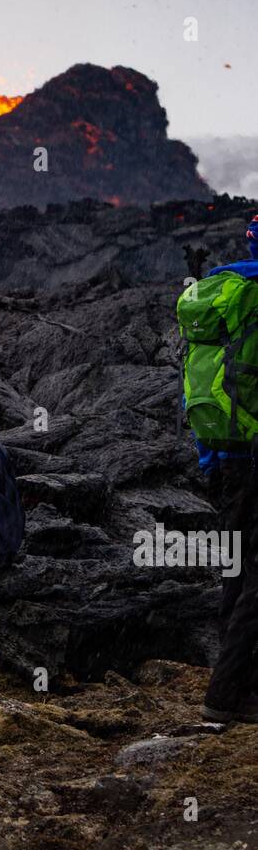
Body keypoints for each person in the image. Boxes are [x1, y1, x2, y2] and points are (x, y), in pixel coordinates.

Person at [186, 216, 258, 724]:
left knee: (236, 568)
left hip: (226, 455)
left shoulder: (225, 291)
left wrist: (210, 458)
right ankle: (226, 694)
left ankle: (234, 684)